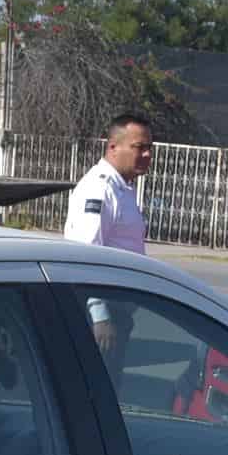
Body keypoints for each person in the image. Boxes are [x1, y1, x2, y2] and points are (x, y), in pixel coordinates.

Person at [64, 111, 153, 354]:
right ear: (113, 147)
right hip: (101, 313)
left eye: (149, 147)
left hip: (118, 307)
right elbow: (85, 253)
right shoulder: (100, 188)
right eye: (139, 147)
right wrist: (100, 316)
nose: (147, 154)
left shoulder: (122, 187)